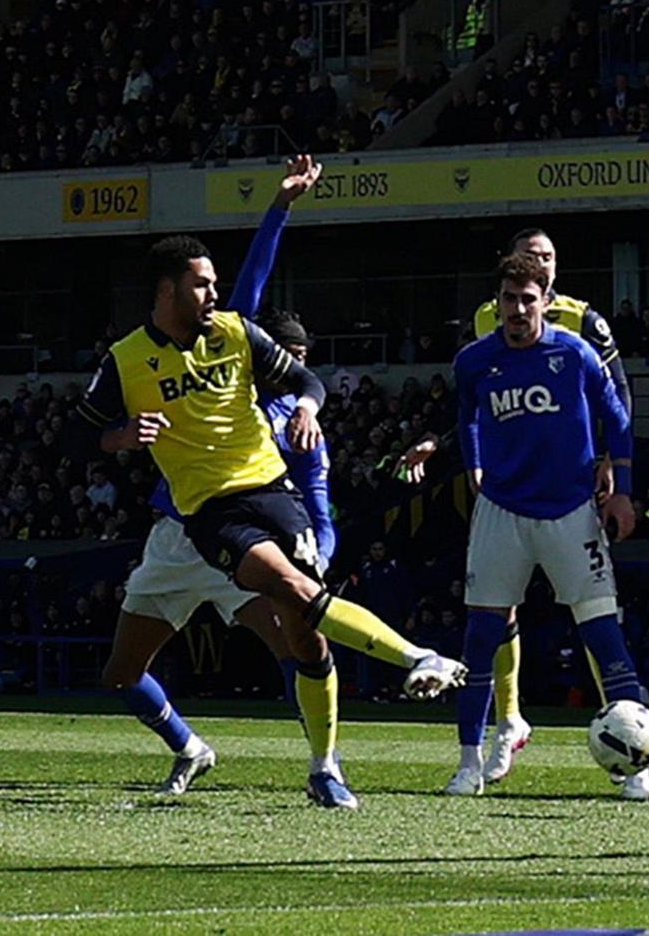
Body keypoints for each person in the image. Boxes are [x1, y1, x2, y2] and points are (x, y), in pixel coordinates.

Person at [100, 158, 463, 806]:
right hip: (181, 534)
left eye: (295, 358)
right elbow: (254, 276)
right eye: (286, 354)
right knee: (123, 670)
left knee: (302, 632)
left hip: (252, 527)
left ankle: (326, 763)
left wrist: (319, 546)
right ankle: (191, 745)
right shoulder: (201, 347)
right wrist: (280, 205)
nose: (289, 363)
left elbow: (317, 487)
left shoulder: (266, 390)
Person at [447, 251, 648, 797]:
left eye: (527, 300)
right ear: (498, 302)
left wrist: (621, 486)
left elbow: (618, 417)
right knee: (480, 637)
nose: (517, 310)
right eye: (509, 300)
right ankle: (468, 764)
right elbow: (465, 415)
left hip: (570, 511)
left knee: (604, 635)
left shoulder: (575, 353)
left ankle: (639, 768)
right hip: (502, 512)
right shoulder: (474, 361)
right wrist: (475, 466)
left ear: (545, 301)